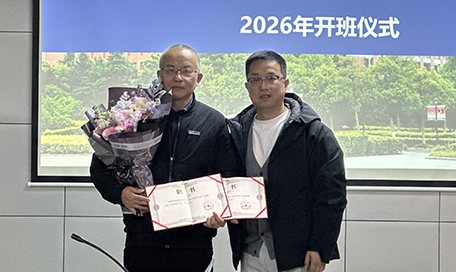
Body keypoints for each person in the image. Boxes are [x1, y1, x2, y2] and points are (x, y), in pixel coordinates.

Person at [90, 44, 236, 272]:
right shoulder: (135, 118)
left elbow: (227, 175)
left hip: (193, 247)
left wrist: (220, 212)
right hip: (143, 243)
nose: (178, 77)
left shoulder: (214, 121)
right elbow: (100, 167)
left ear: (198, 78)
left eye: (186, 71)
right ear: (159, 76)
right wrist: (120, 193)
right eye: (170, 70)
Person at [219, 50, 347, 272]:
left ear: (285, 83)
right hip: (250, 251)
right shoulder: (236, 132)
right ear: (247, 86)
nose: (263, 86)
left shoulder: (313, 133)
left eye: (271, 78)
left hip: (297, 255)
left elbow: (331, 196)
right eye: (255, 79)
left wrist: (320, 247)